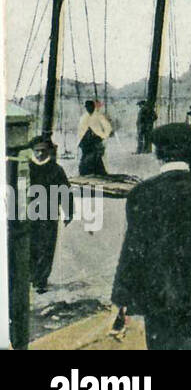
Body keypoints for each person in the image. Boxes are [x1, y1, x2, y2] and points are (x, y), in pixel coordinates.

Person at [110, 128, 191, 349]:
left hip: (158, 305)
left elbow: (132, 253)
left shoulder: (141, 194)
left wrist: (122, 298)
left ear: (157, 154)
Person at [27, 135, 74, 294]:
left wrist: (68, 212)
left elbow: (65, 192)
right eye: (37, 151)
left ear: (48, 151)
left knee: (46, 247)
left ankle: (41, 280)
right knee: (31, 246)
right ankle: (31, 276)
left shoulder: (56, 169)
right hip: (29, 214)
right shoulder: (27, 168)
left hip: (50, 214)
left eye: (42, 151)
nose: (39, 154)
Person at [76, 99, 112, 177]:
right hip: (86, 140)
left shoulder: (99, 116)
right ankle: (84, 172)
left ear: (93, 107)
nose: (88, 109)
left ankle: (99, 172)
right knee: (85, 157)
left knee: (97, 157)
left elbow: (108, 127)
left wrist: (103, 136)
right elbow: (80, 129)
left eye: (90, 107)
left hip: (96, 140)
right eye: (87, 107)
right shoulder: (83, 117)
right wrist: (81, 139)